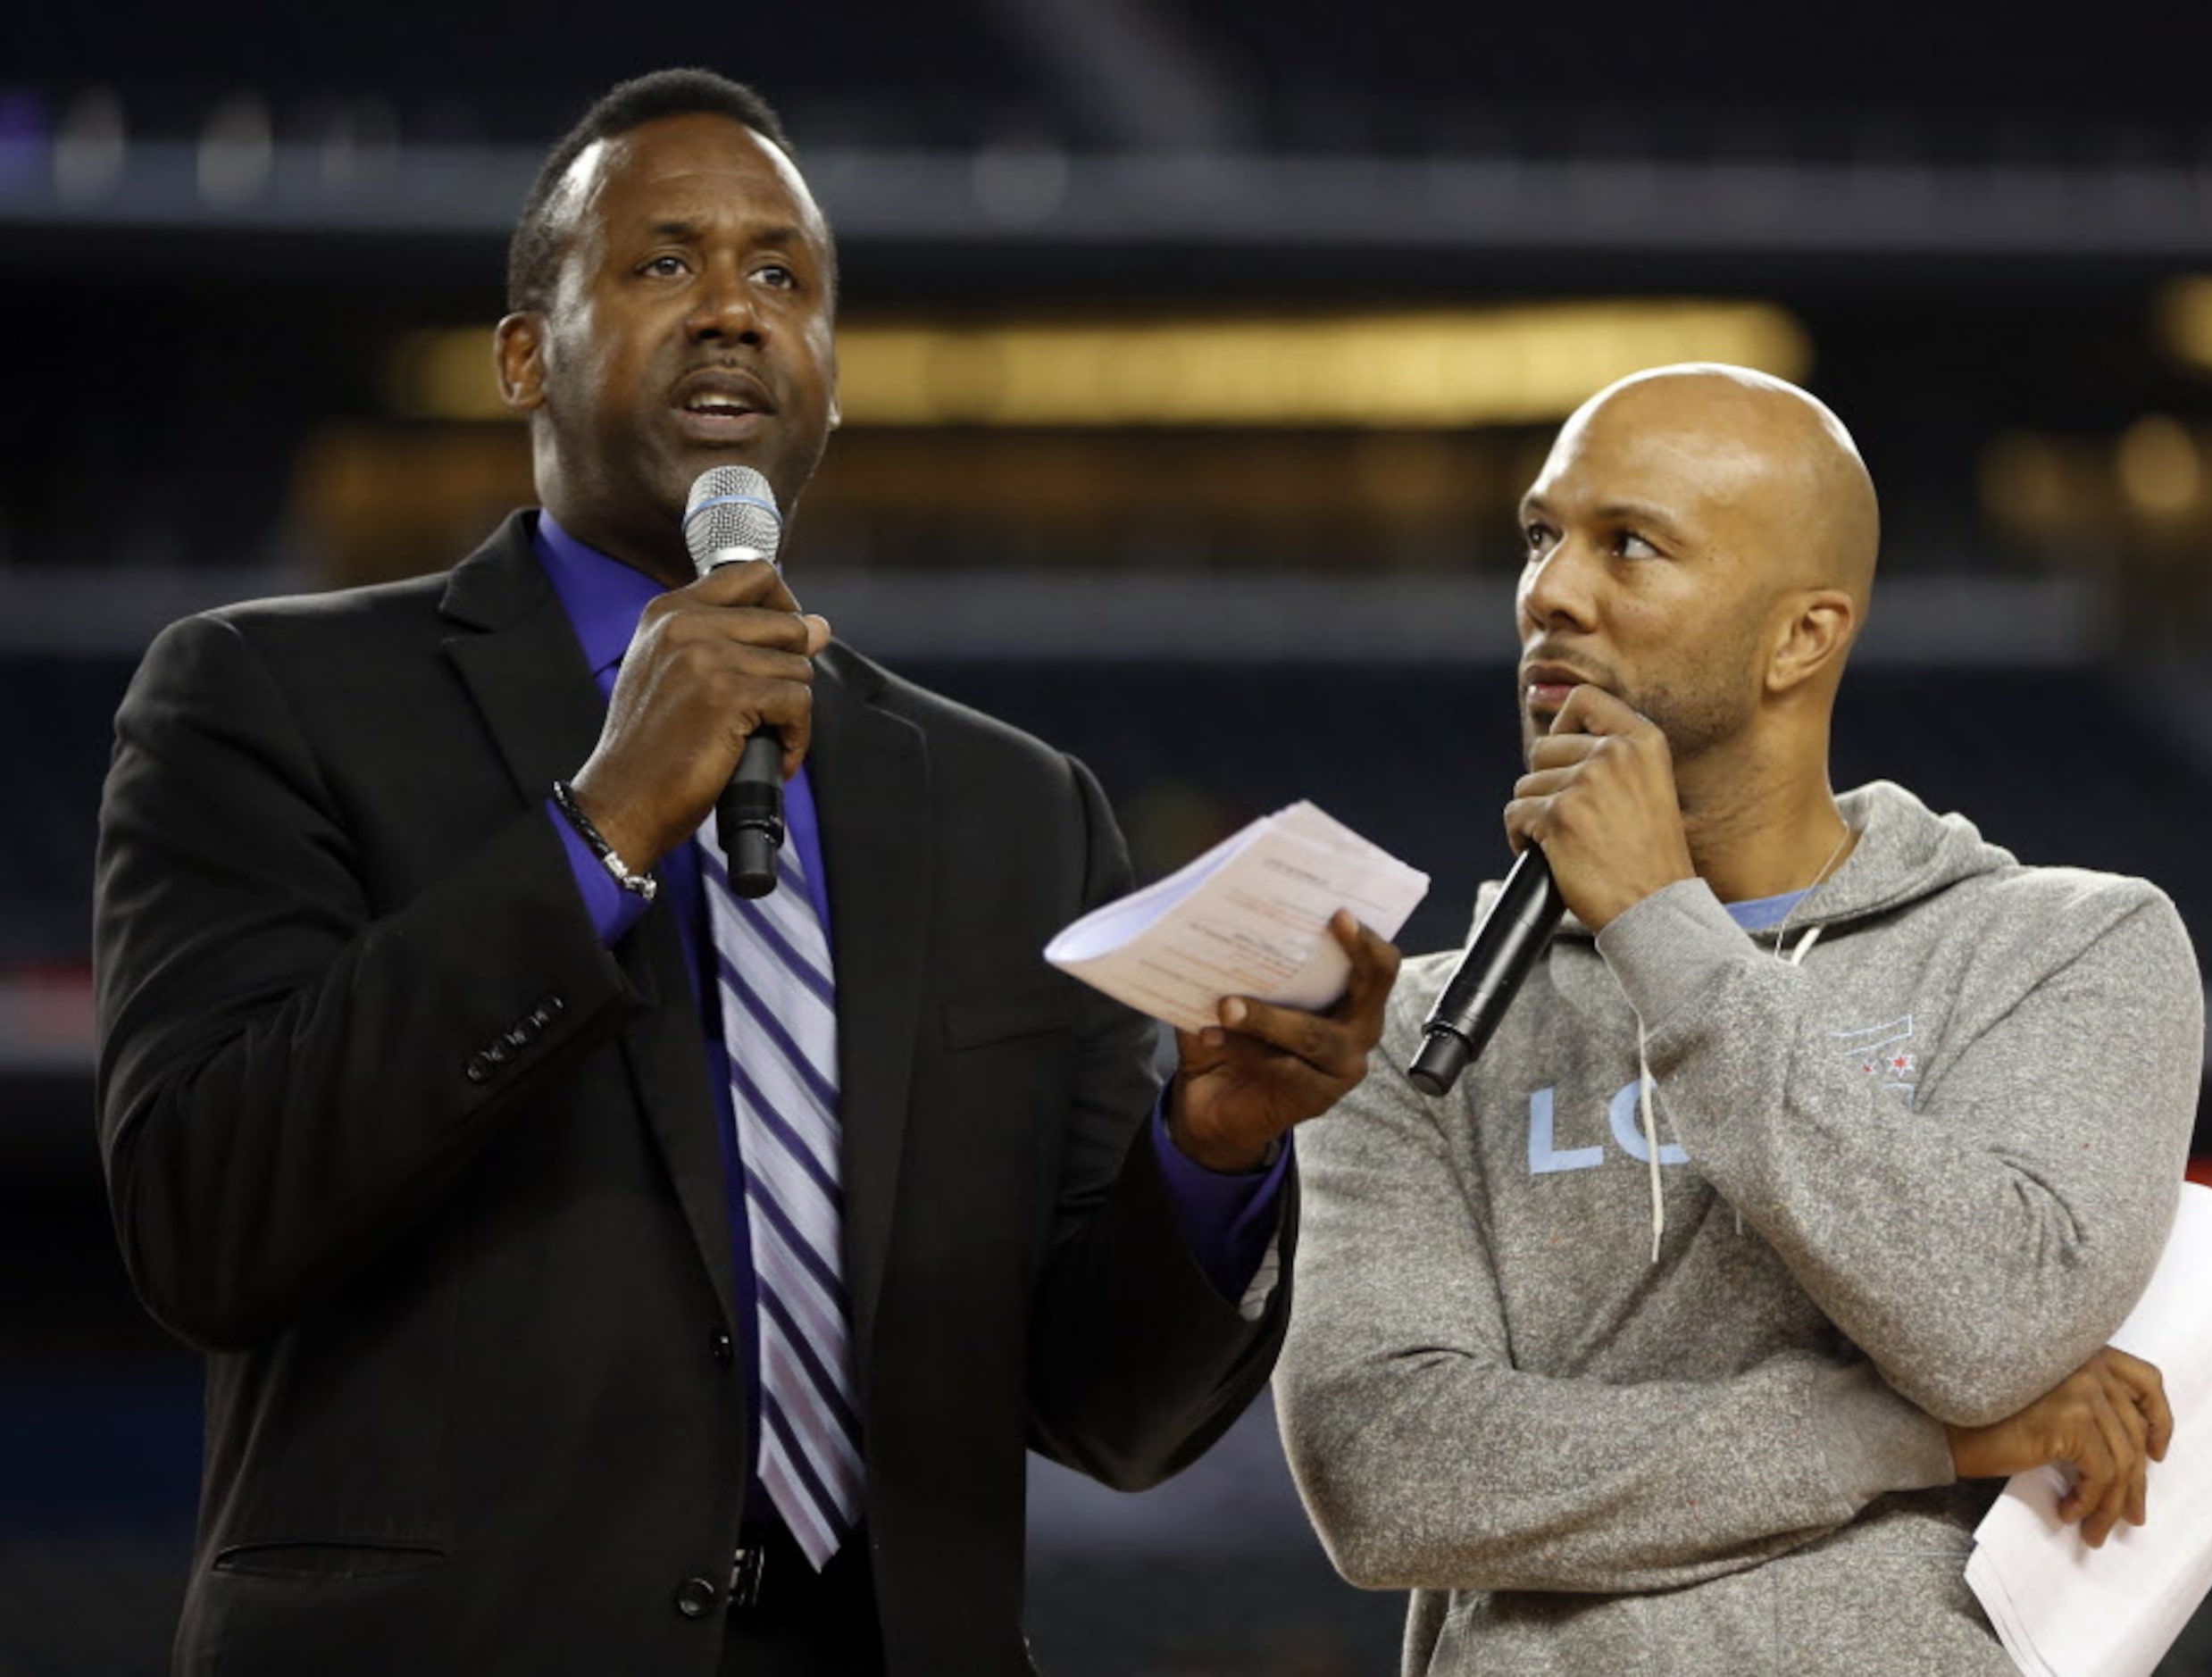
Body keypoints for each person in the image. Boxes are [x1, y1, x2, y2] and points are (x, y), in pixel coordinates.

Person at [94, 69, 1394, 1676]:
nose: (733, 311)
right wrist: (605, 823)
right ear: (524, 355)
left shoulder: (1013, 808)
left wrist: (1208, 1151)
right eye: (663, 264)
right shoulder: (264, 698)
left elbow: (1107, 1411)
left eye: (784, 276)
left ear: (830, 377)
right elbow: (206, 1218)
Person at [1273, 364, 2200, 1675]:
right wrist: (1909, 1439)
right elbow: (1392, 1472)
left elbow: (1994, 1327)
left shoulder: (2061, 945)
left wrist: (1666, 929)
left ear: (1801, 637)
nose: (1549, 591)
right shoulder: (1414, 1029)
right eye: (1541, 536)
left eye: (1629, 545)